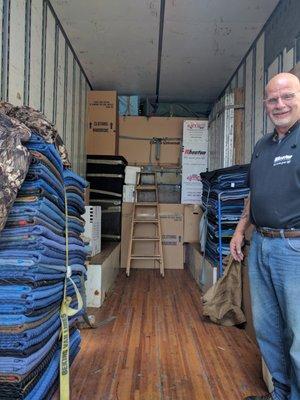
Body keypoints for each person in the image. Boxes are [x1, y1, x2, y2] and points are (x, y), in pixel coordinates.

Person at [230, 72, 300, 400]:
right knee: (269, 330)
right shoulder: (262, 146)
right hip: (261, 245)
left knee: (298, 335)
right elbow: (253, 194)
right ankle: (281, 393)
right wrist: (240, 229)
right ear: (265, 105)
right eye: (272, 99)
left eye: (287, 96)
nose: (279, 104)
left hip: (294, 248)